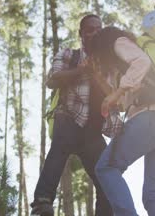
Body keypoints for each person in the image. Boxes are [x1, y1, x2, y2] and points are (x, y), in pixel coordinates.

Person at [91, 26, 155, 216]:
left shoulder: (118, 42)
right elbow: (126, 103)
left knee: (106, 167)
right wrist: (107, 87)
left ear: (102, 46)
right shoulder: (125, 66)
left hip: (151, 118)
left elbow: (142, 62)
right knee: (154, 196)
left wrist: (116, 92)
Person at [30, 15, 113, 216]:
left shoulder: (108, 64)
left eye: (98, 29)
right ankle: (42, 204)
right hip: (68, 115)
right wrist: (81, 69)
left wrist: (98, 75)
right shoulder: (69, 54)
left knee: (107, 177)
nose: (94, 33)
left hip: (93, 129)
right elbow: (53, 79)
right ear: (81, 34)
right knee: (59, 148)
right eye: (89, 29)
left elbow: (115, 96)